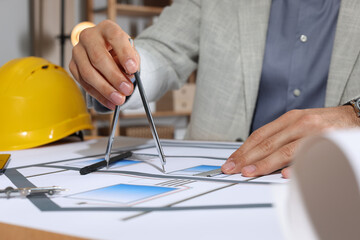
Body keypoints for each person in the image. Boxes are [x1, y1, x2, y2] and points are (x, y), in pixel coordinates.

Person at [70, 0, 360, 179]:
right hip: (218, 178)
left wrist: (355, 115)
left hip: (337, 183)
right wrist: (118, 65)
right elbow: (163, 51)